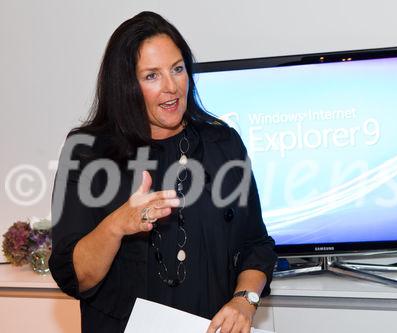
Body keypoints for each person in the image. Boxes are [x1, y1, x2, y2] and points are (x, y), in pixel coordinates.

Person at [48, 11, 277, 333]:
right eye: (151, 76)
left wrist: (245, 300)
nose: (171, 87)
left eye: (178, 69)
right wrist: (117, 225)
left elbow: (256, 245)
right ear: (125, 84)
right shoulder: (87, 152)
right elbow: (76, 277)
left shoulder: (223, 144)